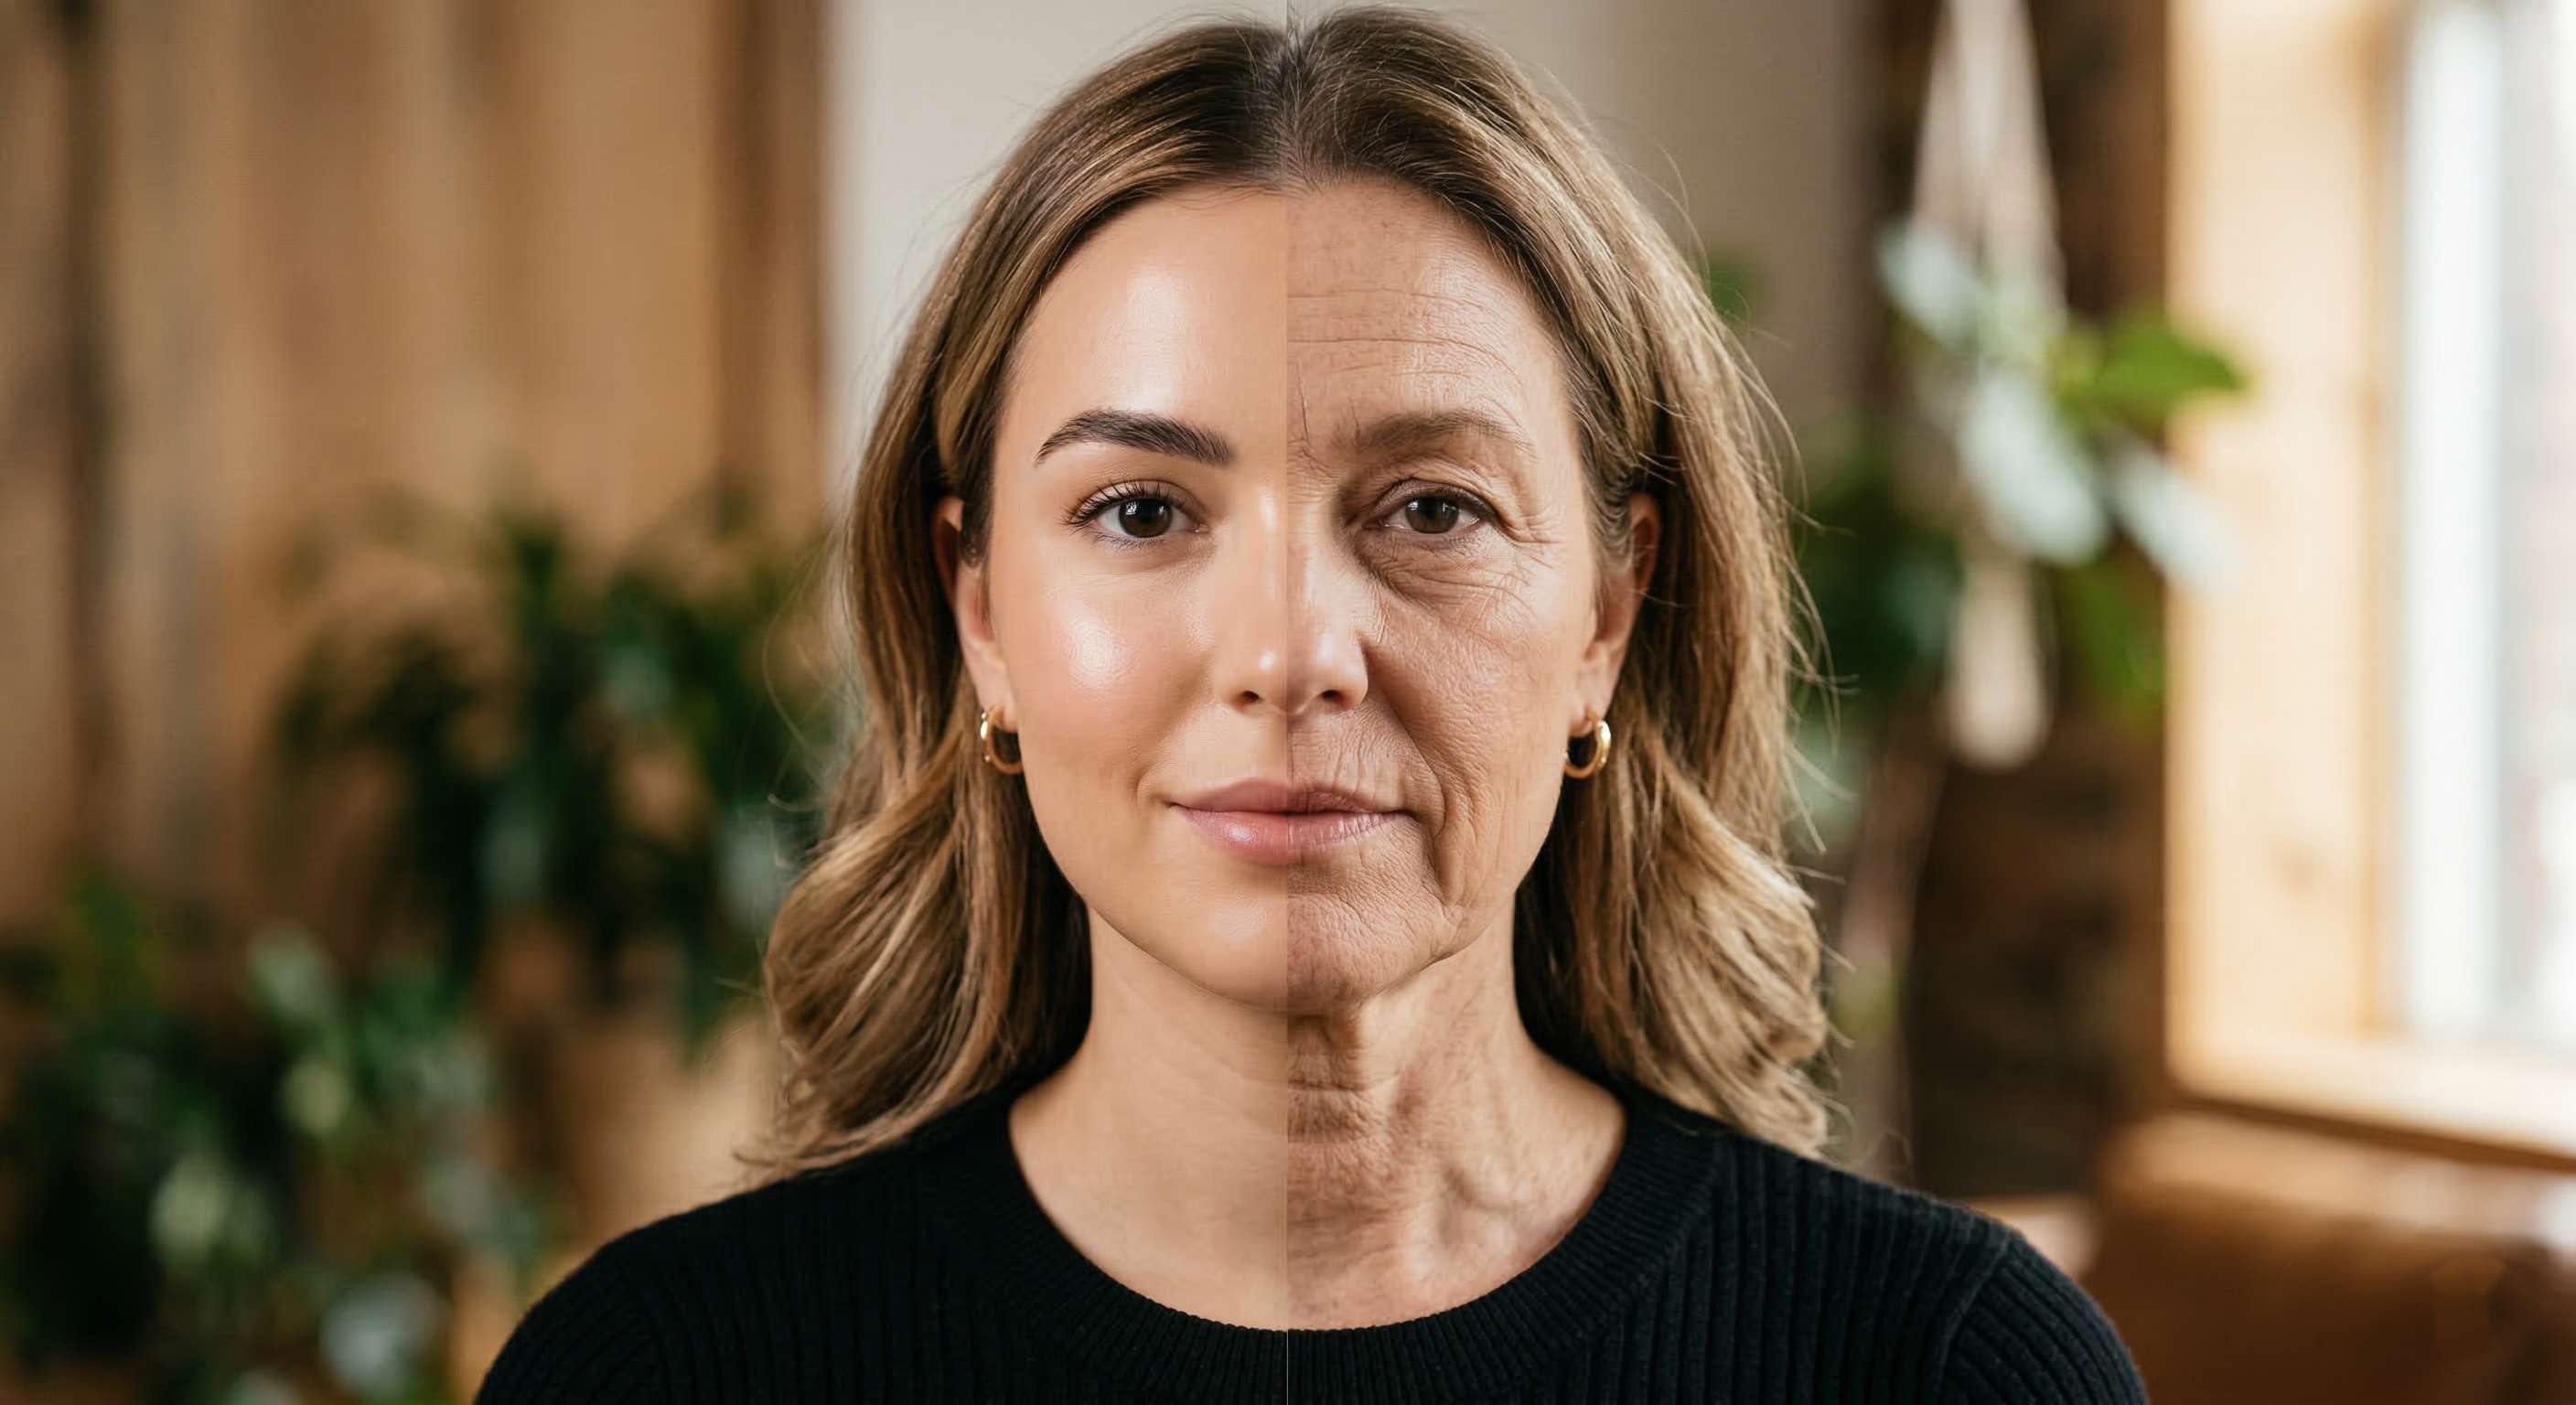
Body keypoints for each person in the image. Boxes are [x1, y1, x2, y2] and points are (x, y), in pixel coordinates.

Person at [478, 6, 2151, 1401]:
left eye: (1432, 508)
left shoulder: (1950, 1370)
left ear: (1611, 610)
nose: (1293, 652)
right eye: (1140, 511)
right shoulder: (656, 1374)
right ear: (978, 610)